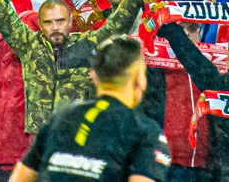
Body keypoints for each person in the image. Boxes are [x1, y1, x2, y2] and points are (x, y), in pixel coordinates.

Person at [10, 37, 168, 182]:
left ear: (94, 76)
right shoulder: (145, 131)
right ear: (140, 80)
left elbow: (20, 177)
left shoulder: (61, 117)